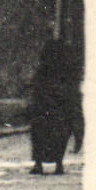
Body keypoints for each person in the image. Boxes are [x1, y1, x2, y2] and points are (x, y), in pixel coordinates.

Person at [27, 38, 83, 175]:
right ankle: (58, 163)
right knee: (60, 137)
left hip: (43, 111)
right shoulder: (68, 73)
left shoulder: (42, 71)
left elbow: (34, 91)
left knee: (40, 135)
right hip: (60, 112)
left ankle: (39, 163)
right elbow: (74, 97)